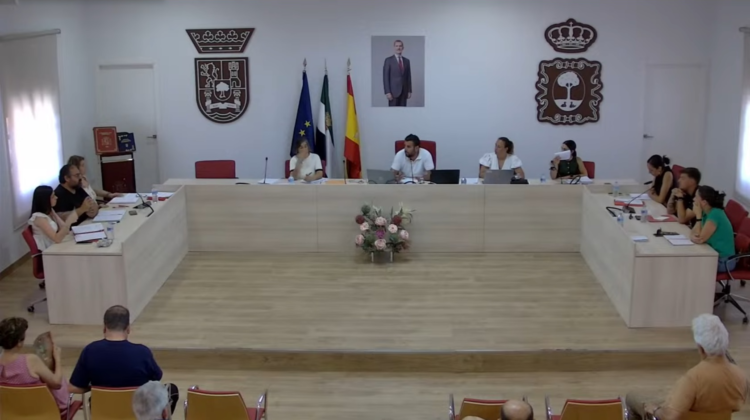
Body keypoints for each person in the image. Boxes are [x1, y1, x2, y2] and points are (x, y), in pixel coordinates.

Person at [626, 314, 747, 420]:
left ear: (701, 348)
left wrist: (655, 410)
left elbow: (671, 417)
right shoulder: (741, 377)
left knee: (632, 397)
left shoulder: (694, 379)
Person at [68, 306, 179, 414]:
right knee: (171, 389)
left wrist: (94, 388)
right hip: (137, 413)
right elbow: (157, 378)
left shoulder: (90, 351)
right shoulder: (142, 352)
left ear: (104, 327)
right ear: (128, 328)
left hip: (103, 412)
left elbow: (74, 387)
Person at [0, 318, 70, 413]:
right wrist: (57, 359)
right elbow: (57, 383)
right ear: (19, 343)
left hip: (10, 413)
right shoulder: (30, 360)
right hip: (41, 413)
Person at [690, 186, 737, 272]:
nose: (693, 199)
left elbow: (699, 239)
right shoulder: (706, 212)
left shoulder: (715, 214)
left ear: (704, 202)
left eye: (696, 197)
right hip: (712, 253)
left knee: (693, 265)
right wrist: (694, 236)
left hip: (724, 261)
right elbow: (693, 233)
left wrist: (698, 216)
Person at [28, 186, 79, 250]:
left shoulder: (49, 211)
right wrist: (69, 222)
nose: (56, 197)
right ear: (45, 200)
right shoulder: (39, 217)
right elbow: (56, 239)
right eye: (53, 196)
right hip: (48, 249)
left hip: (54, 245)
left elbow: (66, 231)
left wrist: (55, 215)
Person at [383, 39, 412, 107]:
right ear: (394, 47)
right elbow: (385, 77)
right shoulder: (388, 60)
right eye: (397, 46)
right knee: (393, 112)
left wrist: (409, 91)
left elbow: (408, 77)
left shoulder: (407, 61)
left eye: (400, 46)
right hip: (393, 93)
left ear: (403, 48)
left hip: (404, 92)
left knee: (403, 112)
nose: (398, 48)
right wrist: (387, 92)